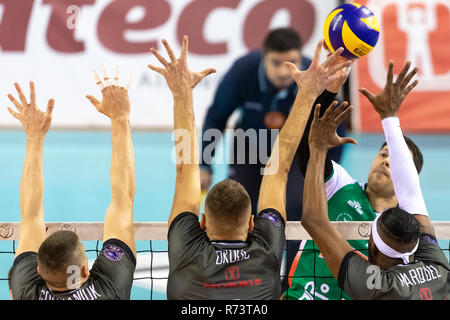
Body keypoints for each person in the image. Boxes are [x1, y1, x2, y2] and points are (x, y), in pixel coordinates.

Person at [147, 36, 351, 299]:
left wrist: (181, 93)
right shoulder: (266, 252)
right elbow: (279, 172)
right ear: (253, 223)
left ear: (203, 222)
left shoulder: (185, 249)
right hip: (250, 153)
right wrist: (309, 93)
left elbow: (185, 170)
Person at [200, 27, 347, 288]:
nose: (283, 71)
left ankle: (289, 283)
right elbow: (216, 116)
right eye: (276, 63)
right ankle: (238, 277)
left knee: (291, 217)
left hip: (295, 157)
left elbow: (335, 128)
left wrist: (325, 176)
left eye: (290, 62)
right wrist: (203, 164)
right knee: (238, 215)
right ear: (263, 57)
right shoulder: (243, 71)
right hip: (249, 151)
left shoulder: (315, 77)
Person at [301, 61, 449, 299]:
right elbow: (412, 195)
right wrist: (390, 117)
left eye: (394, 160)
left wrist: (318, 146)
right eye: (383, 154)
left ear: (372, 250)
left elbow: (313, 220)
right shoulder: (437, 270)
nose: (387, 161)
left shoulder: (374, 285)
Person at [8, 72, 137, 300]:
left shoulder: (25, 290)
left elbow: (31, 216)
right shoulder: (110, 289)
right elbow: (122, 202)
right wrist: (120, 118)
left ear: (38, 271)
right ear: (85, 270)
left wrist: (34, 138)